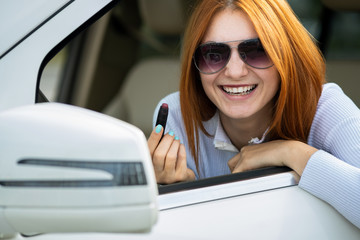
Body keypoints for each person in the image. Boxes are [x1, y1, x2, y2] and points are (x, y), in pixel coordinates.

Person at [147, 0, 360, 228]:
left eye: (257, 51)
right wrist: (180, 189)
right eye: (214, 55)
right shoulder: (178, 115)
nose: (235, 72)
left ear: (285, 57)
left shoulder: (326, 106)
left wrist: (292, 152)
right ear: (194, 64)